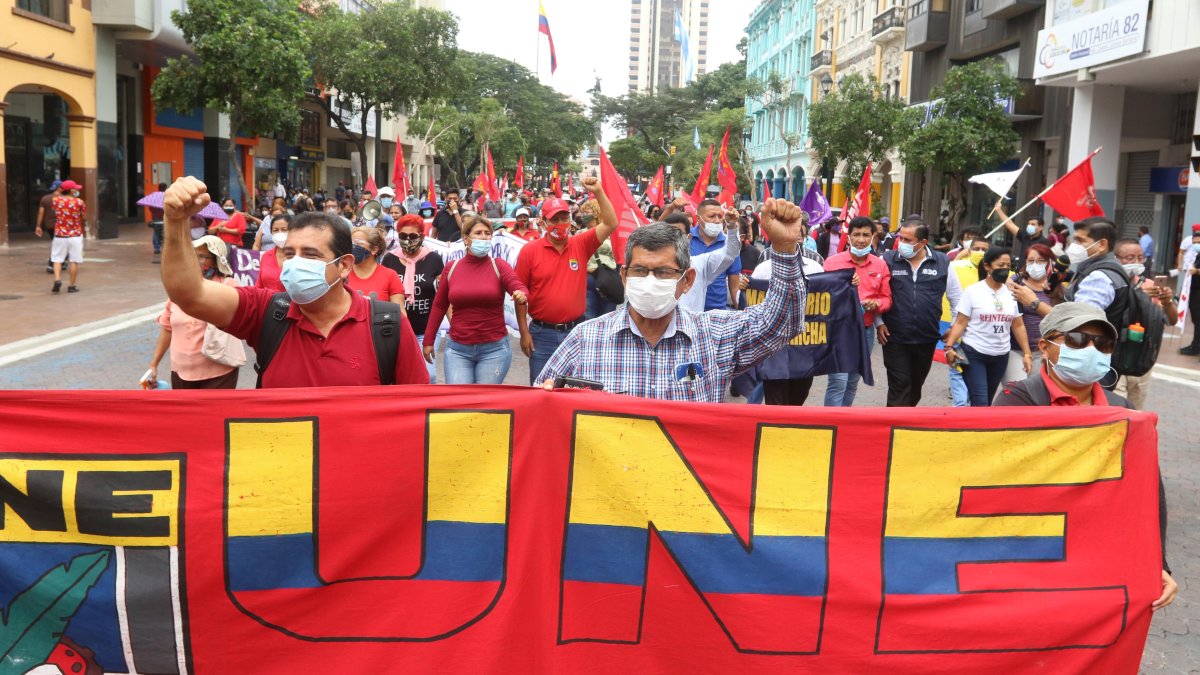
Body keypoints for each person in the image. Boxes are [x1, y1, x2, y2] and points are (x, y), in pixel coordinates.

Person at [992, 302, 1177, 613]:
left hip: (1099, 555)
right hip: (1033, 554)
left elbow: (1147, 488)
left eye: (1102, 343)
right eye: (1077, 339)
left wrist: (1158, 561)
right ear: (1045, 345)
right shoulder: (1016, 401)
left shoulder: (1123, 408)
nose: (1091, 349)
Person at [158, 176, 428, 388]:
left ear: (344, 265)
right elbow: (189, 294)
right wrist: (175, 220)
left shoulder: (387, 325)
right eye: (290, 254)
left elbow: (417, 409)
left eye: (310, 255)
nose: (295, 263)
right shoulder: (266, 313)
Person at [536, 200, 807, 402]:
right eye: (640, 271)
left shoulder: (714, 335)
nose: (650, 280)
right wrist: (548, 397)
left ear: (687, 280)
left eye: (664, 272)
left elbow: (783, 323)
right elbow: (537, 403)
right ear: (624, 276)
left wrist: (783, 249)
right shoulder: (585, 339)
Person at [516, 176, 617, 384]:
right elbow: (520, 295)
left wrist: (598, 191)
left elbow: (610, 222)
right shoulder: (529, 251)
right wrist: (524, 333)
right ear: (543, 222)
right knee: (540, 392)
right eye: (555, 219)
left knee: (574, 394)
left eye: (564, 218)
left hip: (575, 333)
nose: (561, 224)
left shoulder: (580, 243)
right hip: (541, 335)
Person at [423, 215, 529, 384]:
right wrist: (428, 340)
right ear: (466, 239)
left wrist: (521, 293)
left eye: (488, 233)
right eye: (478, 233)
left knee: (485, 406)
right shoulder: (452, 267)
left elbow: (517, 285)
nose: (484, 237)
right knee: (460, 406)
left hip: (494, 350)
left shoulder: (499, 265)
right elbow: (439, 305)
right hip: (458, 350)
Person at [148, 236, 243, 389]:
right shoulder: (178, 290)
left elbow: (245, 323)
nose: (195, 261)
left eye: (202, 256)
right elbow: (167, 328)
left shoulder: (228, 287)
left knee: (215, 414)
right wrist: (153, 364)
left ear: (215, 260)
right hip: (180, 372)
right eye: (193, 256)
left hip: (220, 373)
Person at [943, 247, 1033, 406]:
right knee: (981, 402)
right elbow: (960, 322)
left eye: (1008, 266)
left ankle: (974, 428)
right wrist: (949, 347)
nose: (1005, 269)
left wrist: (1027, 354)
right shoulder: (973, 292)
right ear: (987, 266)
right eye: (1000, 265)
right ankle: (975, 429)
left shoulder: (1013, 293)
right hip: (974, 353)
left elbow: (1018, 325)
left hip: (1000, 355)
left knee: (986, 402)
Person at [878, 220, 950, 406]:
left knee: (915, 387)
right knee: (899, 385)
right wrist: (879, 322)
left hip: (927, 337)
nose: (901, 242)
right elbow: (875, 292)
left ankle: (906, 423)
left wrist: (955, 328)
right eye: (900, 237)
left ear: (923, 243)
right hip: (894, 337)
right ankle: (894, 427)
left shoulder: (943, 262)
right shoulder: (887, 260)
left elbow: (957, 298)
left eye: (907, 240)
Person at [823, 217, 892, 406]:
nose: (861, 239)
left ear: (873, 237)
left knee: (853, 381)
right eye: (856, 235)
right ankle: (830, 425)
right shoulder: (832, 263)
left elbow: (887, 298)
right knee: (838, 382)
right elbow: (821, 296)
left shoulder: (880, 265)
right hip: (838, 330)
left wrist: (876, 303)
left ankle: (844, 422)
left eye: (865, 235)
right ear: (849, 236)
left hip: (865, 331)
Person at [1110, 238, 1178, 409]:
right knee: (1116, 406)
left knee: (1135, 409)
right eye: (1130, 257)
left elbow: (1171, 320)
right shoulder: (1110, 283)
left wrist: (1167, 301)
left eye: (1141, 258)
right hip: (1114, 357)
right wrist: (1138, 295)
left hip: (1141, 358)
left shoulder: (1150, 285)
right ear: (1116, 258)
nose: (1136, 262)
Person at [383, 214, 445, 383]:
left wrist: (454, 326)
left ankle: (426, 407)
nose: (408, 240)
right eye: (403, 236)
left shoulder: (434, 259)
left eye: (412, 236)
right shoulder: (389, 259)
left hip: (425, 329)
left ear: (422, 236)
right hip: (396, 330)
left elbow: (443, 296)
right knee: (399, 375)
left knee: (428, 375)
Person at [1003, 243, 1060, 382]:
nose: (1035, 265)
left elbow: (1062, 318)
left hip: (1045, 350)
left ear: (1049, 263)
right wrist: (1007, 282)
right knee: (1017, 389)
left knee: (1039, 392)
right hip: (1015, 349)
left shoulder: (1056, 287)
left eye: (1041, 261)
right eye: (1031, 261)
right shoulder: (1016, 283)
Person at [678, 208, 742, 313]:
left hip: (715, 312)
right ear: (698, 219)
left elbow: (732, 252)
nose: (717, 221)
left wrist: (731, 226)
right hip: (681, 317)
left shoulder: (700, 262)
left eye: (720, 216)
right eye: (712, 216)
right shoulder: (656, 266)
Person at [36, 180, 86, 294]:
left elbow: (53, 210)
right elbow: (84, 217)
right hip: (75, 234)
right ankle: (71, 286)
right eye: (75, 188)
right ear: (71, 190)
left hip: (59, 234)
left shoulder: (56, 201)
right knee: (74, 260)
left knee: (57, 259)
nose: (77, 190)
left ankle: (57, 279)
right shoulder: (79, 202)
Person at [346, 226, 404, 302]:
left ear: (374, 249)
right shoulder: (343, 274)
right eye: (351, 244)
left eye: (358, 244)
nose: (353, 247)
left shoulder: (390, 276)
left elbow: (399, 311)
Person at [1177, 225, 1200, 356]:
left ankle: (1196, 347)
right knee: (1196, 320)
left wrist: (1197, 271)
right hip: (1194, 291)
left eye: (1199, 243)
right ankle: (1196, 344)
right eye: (1194, 243)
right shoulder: (1197, 256)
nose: (1196, 245)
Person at [256, 213, 291, 293]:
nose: (279, 233)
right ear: (271, 233)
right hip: (268, 303)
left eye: (284, 229)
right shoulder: (266, 256)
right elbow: (259, 286)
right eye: (275, 230)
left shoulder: (299, 257)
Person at [145, 181, 166, 260]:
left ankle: (156, 248)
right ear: (165, 188)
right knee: (165, 234)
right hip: (164, 220)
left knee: (156, 233)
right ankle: (165, 248)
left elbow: (150, 208)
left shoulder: (154, 197)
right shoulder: (166, 197)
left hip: (155, 220)